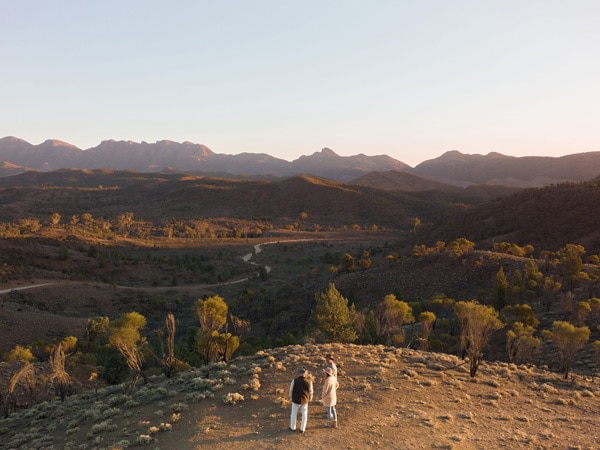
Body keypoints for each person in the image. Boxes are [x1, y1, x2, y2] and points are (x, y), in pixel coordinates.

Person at [289, 367, 313, 434]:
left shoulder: (294, 380)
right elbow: (311, 392)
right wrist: (310, 399)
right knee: (304, 414)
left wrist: (291, 398)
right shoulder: (309, 381)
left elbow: (291, 390)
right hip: (305, 400)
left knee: (293, 414)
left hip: (296, 399)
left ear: (299, 373)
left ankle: (292, 427)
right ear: (305, 373)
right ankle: (302, 428)